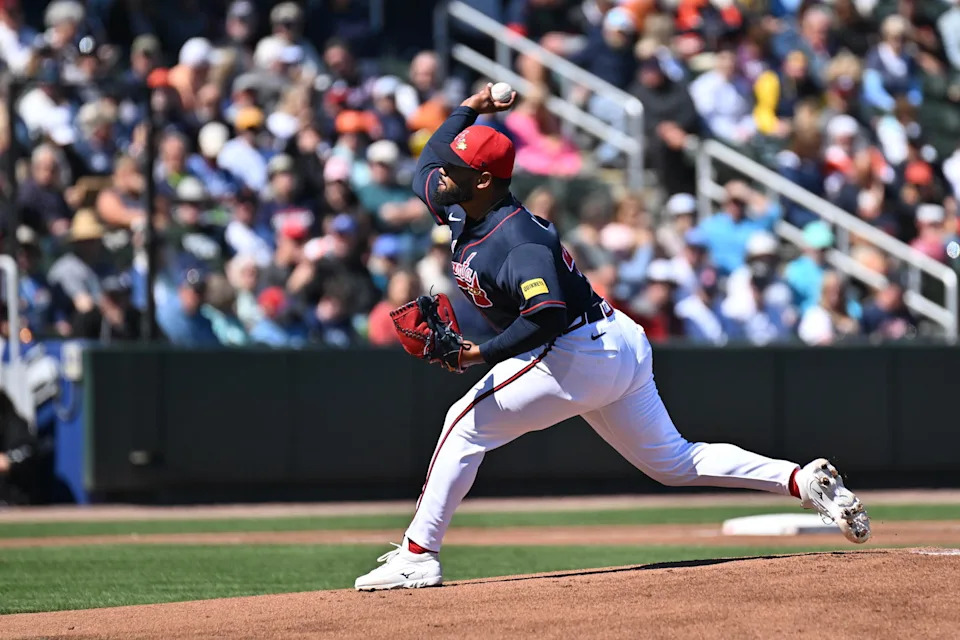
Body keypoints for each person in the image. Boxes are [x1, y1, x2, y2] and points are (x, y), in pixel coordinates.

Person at [353, 83, 871, 592]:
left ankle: (418, 556)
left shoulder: (519, 242)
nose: (442, 174)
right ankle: (802, 481)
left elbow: (547, 314)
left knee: (462, 425)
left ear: (484, 179)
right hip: (615, 340)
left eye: (457, 170)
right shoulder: (460, 201)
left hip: (575, 348)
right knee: (674, 462)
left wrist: (478, 354)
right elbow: (430, 161)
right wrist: (475, 106)